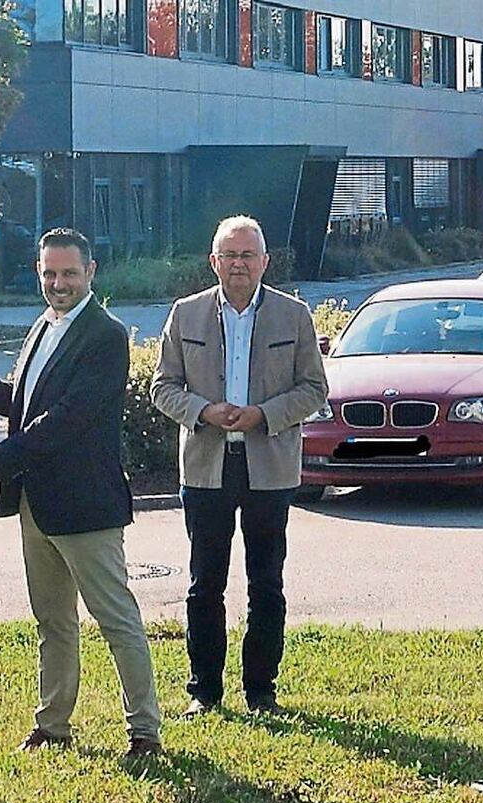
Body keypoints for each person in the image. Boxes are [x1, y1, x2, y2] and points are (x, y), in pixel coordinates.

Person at [0, 227, 163, 759]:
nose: (58, 283)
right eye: (49, 273)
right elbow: (23, 407)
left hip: (86, 504)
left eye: (69, 273)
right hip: (35, 502)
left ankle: (144, 732)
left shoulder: (105, 335)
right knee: (53, 621)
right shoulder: (42, 327)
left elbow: (65, 422)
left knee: (115, 619)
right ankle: (52, 726)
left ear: (91, 272)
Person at [150, 215, 328, 718]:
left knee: (266, 583)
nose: (238, 265)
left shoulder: (293, 317)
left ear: (265, 262)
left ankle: (261, 691)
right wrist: (202, 411)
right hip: (206, 468)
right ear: (214, 262)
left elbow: (315, 389)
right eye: (229, 255)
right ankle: (203, 691)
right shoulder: (186, 315)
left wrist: (263, 416)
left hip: (268, 468)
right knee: (204, 583)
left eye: (248, 255)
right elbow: (161, 387)